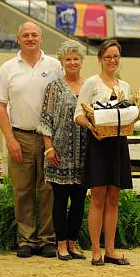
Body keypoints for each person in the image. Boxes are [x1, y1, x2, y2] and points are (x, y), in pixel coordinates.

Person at [0, 21, 62, 258]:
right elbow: (0, 106)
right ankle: (26, 240)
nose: (30, 38)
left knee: (48, 189)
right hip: (20, 136)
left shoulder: (55, 66)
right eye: (25, 35)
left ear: (41, 38)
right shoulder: (7, 68)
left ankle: (47, 240)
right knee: (22, 190)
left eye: (34, 34)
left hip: (48, 139)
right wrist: (10, 139)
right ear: (18, 39)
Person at [74, 39, 133, 266]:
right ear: (99, 59)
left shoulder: (124, 86)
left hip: (118, 144)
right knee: (98, 197)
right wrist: (91, 127)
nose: (112, 60)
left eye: (116, 56)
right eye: (108, 56)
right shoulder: (92, 83)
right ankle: (96, 250)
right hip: (98, 143)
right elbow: (78, 114)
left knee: (114, 198)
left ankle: (110, 249)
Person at [38, 40, 88, 261]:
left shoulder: (89, 86)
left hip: (85, 154)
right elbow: (46, 119)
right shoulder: (54, 87)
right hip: (60, 153)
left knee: (79, 201)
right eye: (68, 59)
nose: (72, 62)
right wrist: (48, 147)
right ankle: (60, 245)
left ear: (82, 61)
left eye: (76, 58)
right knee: (60, 201)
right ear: (62, 62)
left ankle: (73, 243)